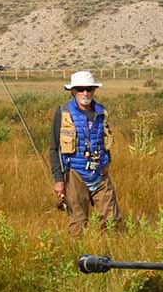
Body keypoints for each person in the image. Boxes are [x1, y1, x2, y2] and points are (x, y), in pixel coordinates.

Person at [49, 70, 120, 234]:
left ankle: (109, 256)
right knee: (78, 224)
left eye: (89, 89)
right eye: (80, 89)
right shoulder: (63, 113)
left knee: (112, 222)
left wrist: (107, 162)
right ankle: (77, 257)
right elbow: (54, 148)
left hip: (100, 174)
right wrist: (59, 180)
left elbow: (105, 141)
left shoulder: (102, 112)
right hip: (74, 175)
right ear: (73, 91)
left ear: (94, 90)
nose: (85, 93)